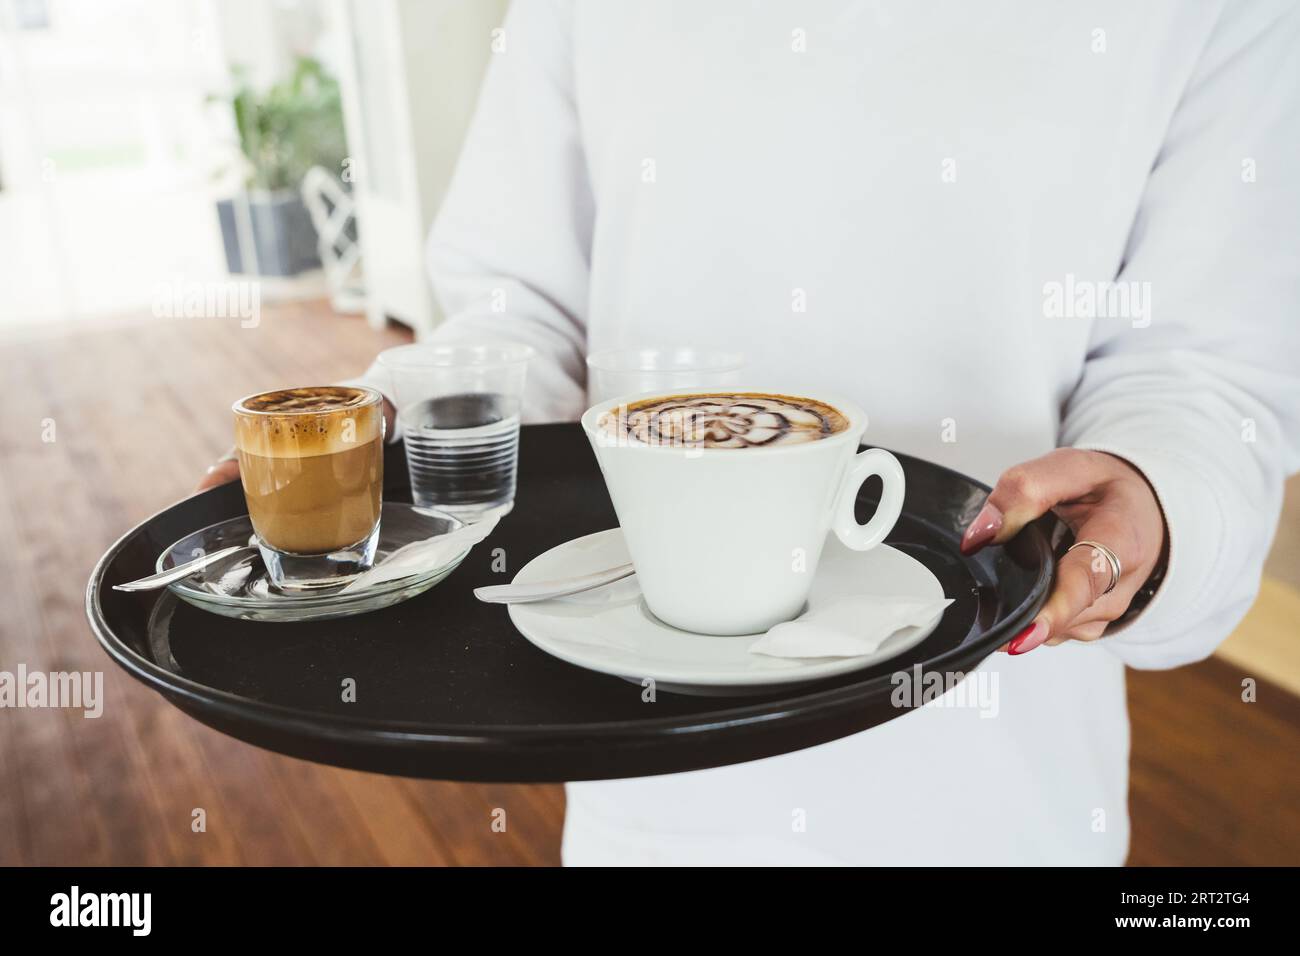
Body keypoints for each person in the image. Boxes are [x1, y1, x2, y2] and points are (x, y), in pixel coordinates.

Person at [201, 1, 1300, 864]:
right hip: (652, 770)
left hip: (996, 781)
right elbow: (519, 306)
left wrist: (1159, 489)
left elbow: (1201, 364)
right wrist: (419, 426)